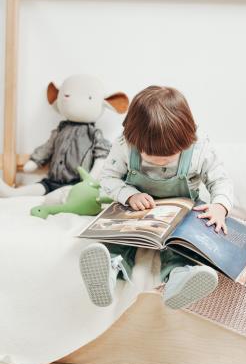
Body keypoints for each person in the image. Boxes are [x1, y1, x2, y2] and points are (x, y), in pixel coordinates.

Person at [79, 86, 233, 310]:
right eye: (150, 155)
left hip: (182, 215)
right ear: (133, 139)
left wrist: (220, 206)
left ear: (187, 139)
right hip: (136, 212)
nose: (160, 161)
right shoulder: (124, 145)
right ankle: (109, 270)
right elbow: (108, 178)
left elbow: (221, 180)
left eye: (169, 156)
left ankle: (181, 278)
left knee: (182, 246)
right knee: (120, 240)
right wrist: (129, 195)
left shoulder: (199, 149)